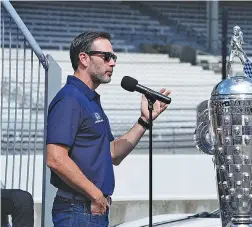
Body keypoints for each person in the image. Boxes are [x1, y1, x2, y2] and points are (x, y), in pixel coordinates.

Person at [46, 31, 171, 226]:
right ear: (84, 58)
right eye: (106, 57)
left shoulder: (89, 99)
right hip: (78, 210)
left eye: (114, 57)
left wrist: (144, 121)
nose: (112, 63)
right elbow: (55, 158)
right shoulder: (70, 99)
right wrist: (95, 195)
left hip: (90, 209)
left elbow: (112, 153)